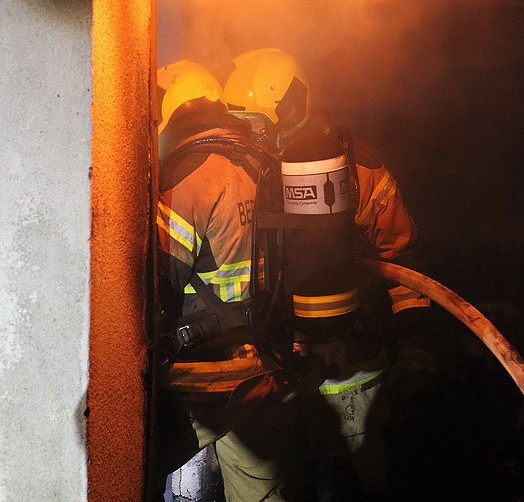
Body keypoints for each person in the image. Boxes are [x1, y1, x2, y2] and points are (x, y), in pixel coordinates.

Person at [221, 47, 436, 501]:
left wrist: (415, 338)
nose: (254, 133)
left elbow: (402, 256)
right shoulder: (247, 171)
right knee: (286, 476)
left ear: (290, 108)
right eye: (247, 123)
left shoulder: (357, 166)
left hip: (349, 355)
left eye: (259, 122)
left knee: (357, 477)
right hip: (276, 357)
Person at [153, 60, 304, 502]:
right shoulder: (268, 164)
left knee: (120, 471)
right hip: (269, 367)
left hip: (197, 380)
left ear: (167, 116)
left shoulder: (184, 178)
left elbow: (155, 286)